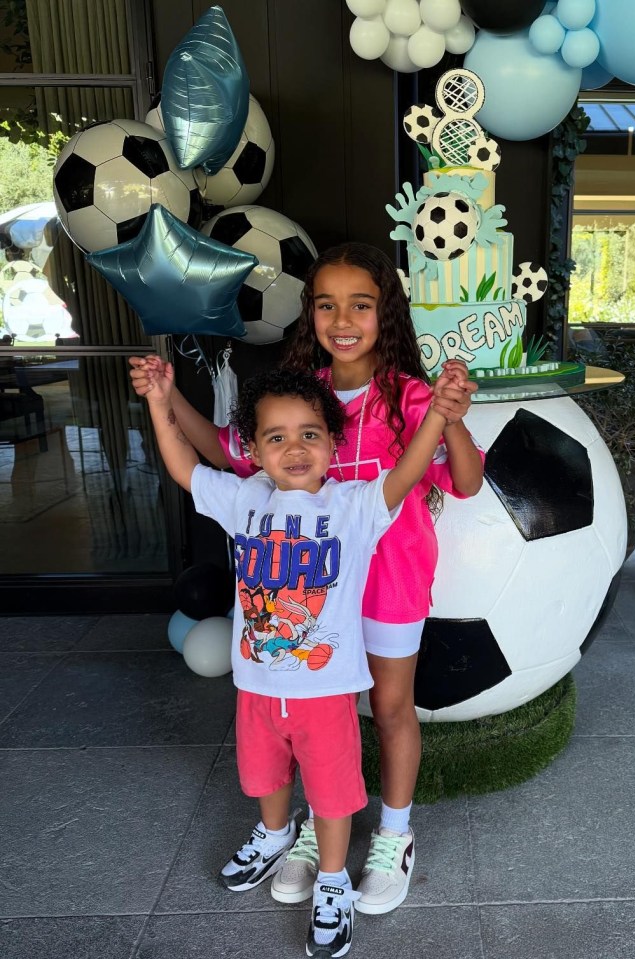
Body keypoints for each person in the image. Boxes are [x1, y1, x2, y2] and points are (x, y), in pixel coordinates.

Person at [129, 242, 484, 915]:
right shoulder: (303, 395)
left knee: (386, 707)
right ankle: (303, 834)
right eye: (326, 303)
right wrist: (170, 403)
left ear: (388, 313)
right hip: (306, 593)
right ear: (309, 313)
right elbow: (223, 453)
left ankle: (394, 833)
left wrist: (452, 415)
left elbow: (463, 481)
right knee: (320, 712)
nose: (342, 318)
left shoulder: (410, 395)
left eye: (361, 304)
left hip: (390, 579)